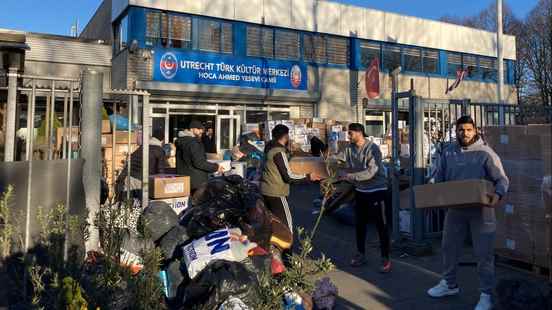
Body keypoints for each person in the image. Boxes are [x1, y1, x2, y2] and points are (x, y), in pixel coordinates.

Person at [427, 116, 509, 310]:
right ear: (456, 131)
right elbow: (438, 178)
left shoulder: (485, 153)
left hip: (481, 210)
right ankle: (449, 284)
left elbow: (502, 180)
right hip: (455, 210)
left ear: (475, 130)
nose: (464, 133)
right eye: (461, 130)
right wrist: (431, 191)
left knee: (483, 254)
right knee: (449, 248)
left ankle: (486, 294)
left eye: (468, 129)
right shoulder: (449, 153)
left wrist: (497, 195)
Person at [336, 123, 391, 272]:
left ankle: (385, 258)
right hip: (361, 191)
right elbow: (337, 159)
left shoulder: (372, 148)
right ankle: (361, 254)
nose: (349, 136)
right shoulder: (349, 148)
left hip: (377, 190)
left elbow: (371, 172)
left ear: (360, 133)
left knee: (381, 226)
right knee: (360, 225)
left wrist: (349, 176)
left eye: (351, 133)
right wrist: (332, 162)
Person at [260, 124, 320, 234]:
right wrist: (308, 176)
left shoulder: (269, 149)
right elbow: (288, 176)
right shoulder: (278, 152)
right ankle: (287, 250)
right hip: (276, 193)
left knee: (271, 223)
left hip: (266, 190)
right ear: (285, 136)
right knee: (286, 225)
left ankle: (273, 248)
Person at [116, 128, 169, 200]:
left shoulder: (143, 147)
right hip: (142, 180)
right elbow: (160, 170)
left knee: (128, 203)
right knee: (143, 202)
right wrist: (163, 185)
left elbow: (130, 161)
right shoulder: (159, 150)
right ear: (162, 140)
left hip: (129, 177)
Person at [176, 120, 223, 194]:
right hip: (197, 182)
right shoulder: (193, 143)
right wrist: (216, 167)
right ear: (191, 129)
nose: (201, 131)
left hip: (185, 180)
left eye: (201, 129)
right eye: (198, 129)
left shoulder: (182, 141)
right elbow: (199, 163)